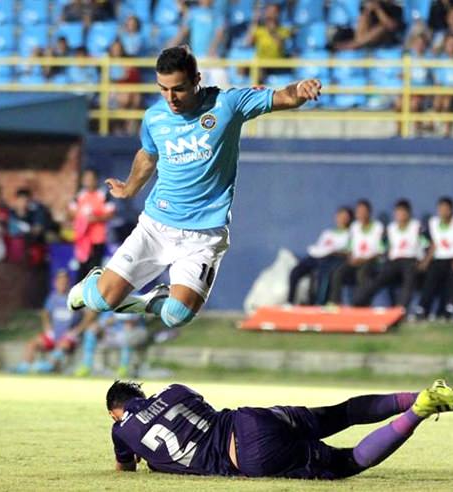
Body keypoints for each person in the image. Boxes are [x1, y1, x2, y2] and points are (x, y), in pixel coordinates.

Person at [67, 45, 322, 336]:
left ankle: (151, 302)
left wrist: (301, 89)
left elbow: (283, 97)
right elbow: (148, 154)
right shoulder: (154, 117)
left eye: (178, 89)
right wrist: (129, 189)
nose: (170, 98)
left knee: (177, 315)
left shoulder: (227, 104)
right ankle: (94, 284)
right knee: (101, 300)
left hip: (204, 234)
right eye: (163, 89)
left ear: (197, 78)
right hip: (156, 226)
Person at [106, 378, 453, 478]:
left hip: (246, 456)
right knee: (341, 413)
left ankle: (420, 411)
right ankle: (422, 394)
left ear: (114, 413)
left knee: (348, 462)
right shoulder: (174, 390)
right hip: (252, 417)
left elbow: (125, 467)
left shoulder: (122, 430)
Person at [353, 199, 426, 310]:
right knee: (379, 279)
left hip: (410, 260)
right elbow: (384, 247)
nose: (399, 215)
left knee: (409, 279)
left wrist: (423, 261)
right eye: (397, 212)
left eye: (402, 212)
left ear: (408, 213)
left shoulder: (416, 227)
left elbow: (426, 245)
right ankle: (359, 303)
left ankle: (401, 308)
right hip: (394, 261)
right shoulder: (391, 229)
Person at [12, 270, 83, 374]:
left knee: (63, 345)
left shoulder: (75, 297)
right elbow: (45, 313)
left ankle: (49, 367)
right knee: (32, 343)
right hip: (53, 336)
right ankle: (24, 367)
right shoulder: (52, 298)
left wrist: (78, 330)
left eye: (64, 282)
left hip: (68, 337)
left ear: (68, 283)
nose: (62, 284)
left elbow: (90, 315)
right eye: (60, 282)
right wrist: (47, 327)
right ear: (55, 283)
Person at [287, 206, 352, 305]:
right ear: (336, 217)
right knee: (295, 272)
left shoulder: (349, 234)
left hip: (331, 259)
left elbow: (347, 251)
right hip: (315, 258)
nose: (342, 219)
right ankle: (290, 301)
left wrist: (335, 252)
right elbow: (319, 248)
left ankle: (319, 303)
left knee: (323, 275)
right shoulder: (327, 233)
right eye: (340, 216)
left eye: (345, 217)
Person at [416, 196, 453, 319]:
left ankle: (450, 308)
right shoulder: (432, 223)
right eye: (441, 209)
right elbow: (431, 243)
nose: (443, 211)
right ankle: (422, 308)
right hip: (438, 259)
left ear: (451, 210)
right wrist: (426, 261)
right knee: (430, 278)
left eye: (446, 209)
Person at [328, 199, 385, 305]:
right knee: (338, 273)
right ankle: (336, 304)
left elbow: (381, 251)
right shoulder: (354, 227)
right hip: (355, 260)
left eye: (364, 211)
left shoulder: (378, 227)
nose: (361, 214)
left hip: (371, 260)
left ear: (369, 212)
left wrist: (364, 259)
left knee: (362, 274)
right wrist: (351, 258)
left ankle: (363, 305)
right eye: (359, 211)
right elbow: (350, 247)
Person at [69, 168, 116, 282]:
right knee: (81, 270)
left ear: (96, 180)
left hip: (97, 239)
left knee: (94, 270)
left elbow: (111, 213)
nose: (88, 181)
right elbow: (71, 212)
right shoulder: (79, 195)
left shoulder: (103, 194)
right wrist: (81, 219)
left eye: (91, 178)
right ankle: (79, 297)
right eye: (86, 178)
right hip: (82, 240)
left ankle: (92, 296)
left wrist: (96, 218)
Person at [75, 312, 149, 378]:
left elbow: (131, 321)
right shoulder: (110, 304)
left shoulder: (132, 299)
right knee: (90, 333)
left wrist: (114, 319)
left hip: (131, 332)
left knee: (127, 336)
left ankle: (124, 368)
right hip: (110, 334)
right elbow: (103, 322)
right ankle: (86, 366)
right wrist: (99, 326)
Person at [334, 0, 405, 51]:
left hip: (387, 39)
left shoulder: (396, 8)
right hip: (367, 38)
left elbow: (391, 26)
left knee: (382, 27)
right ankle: (357, 43)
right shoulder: (370, 5)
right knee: (363, 17)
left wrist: (378, 10)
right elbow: (361, 24)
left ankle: (356, 44)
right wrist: (367, 10)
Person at [246, 3, 292, 80]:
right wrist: (255, 21)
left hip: (277, 64)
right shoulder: (260, 30)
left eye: (274, 12)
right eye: (269, 12)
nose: (271, 14)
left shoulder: (284, 30)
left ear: (278, 14)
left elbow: (280, 46)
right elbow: (248, 43)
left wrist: (272, 31)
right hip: (261, 65)